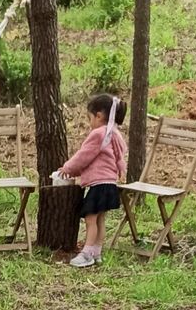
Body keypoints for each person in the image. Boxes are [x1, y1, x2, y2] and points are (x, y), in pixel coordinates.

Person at [57, 94, 128, 268]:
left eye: (90, 118)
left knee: (90, 219)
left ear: (98, 116)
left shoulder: (98, 134)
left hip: (99, 185)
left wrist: (68, 168)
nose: (90, 123)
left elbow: (84, 156)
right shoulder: (114, 133)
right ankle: (97, 252)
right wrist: (121, 170)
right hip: (109, 183)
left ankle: (86, 253)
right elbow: (120, 156)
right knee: (100, 219)